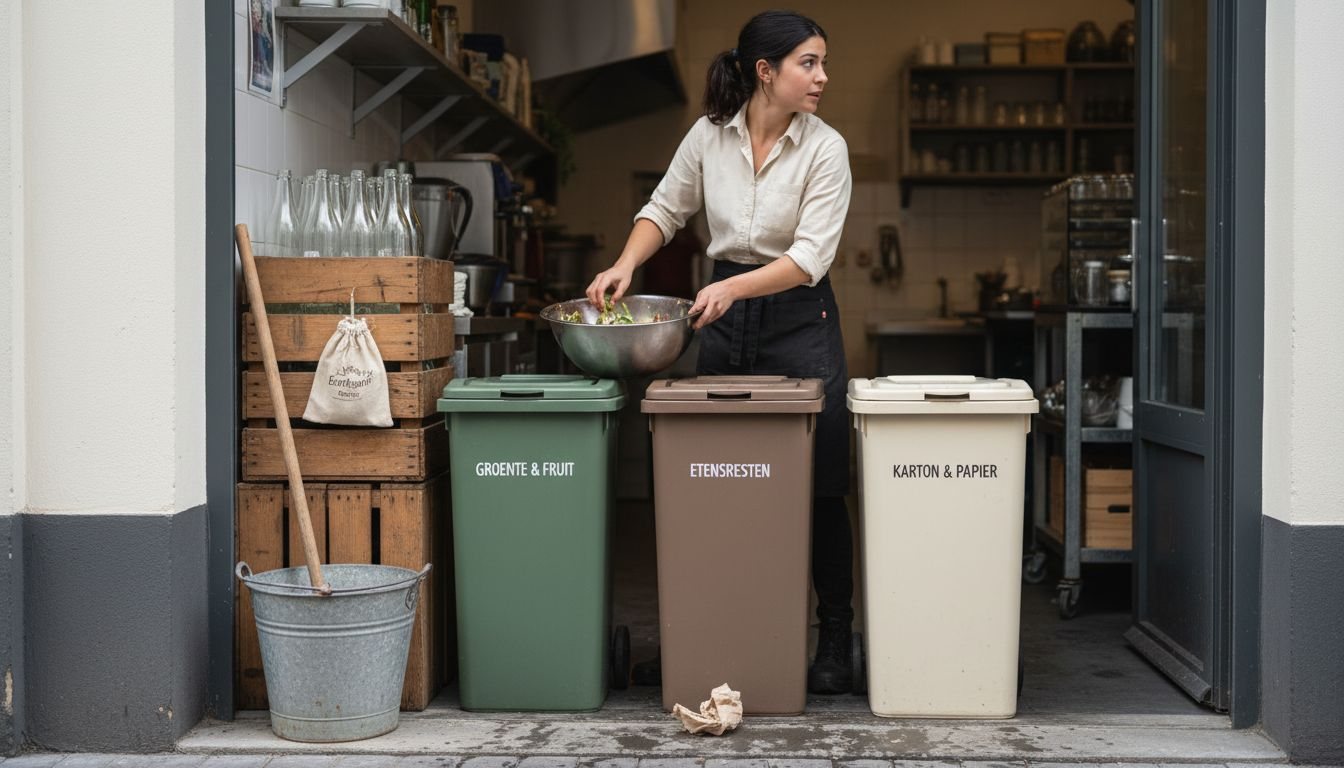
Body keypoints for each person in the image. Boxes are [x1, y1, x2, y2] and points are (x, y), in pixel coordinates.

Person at [585, 10, 855, 695]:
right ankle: (708, 632)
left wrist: (732, 286)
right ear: (765, 71)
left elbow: (810, 257)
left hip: (800, 317)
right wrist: (625, 264)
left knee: (820, 483)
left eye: (822, 63)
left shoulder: (827, 149)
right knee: (714, 478)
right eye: (809, 63)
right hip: (727, 323)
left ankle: (834, 635)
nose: (822, 77)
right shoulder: (709, 135)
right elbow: (664, 209)